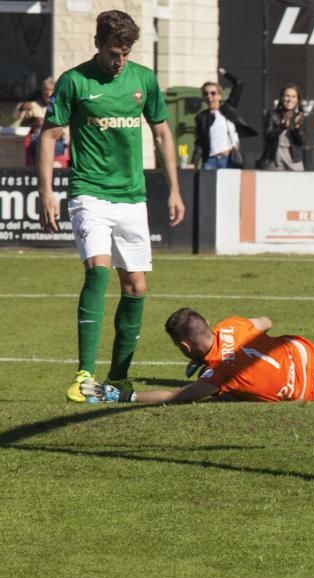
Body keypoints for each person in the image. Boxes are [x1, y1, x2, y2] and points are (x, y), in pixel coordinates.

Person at [37, 9, 185, 403]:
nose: (120, 61)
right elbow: (49, 136)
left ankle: (117, 379)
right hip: (89, 193)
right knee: (98, 275)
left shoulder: (143, 80)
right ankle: (84, 373)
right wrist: (47, 191)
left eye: (126, 52)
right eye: (114, 53)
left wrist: (174, 189)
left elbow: (163, 134)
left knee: (136, 286)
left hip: (132, 197)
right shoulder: (75, 81)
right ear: (98, 44)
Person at [80, 308, 314, 403]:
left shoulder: (217, 374)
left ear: (186, 348)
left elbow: (176, 397)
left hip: (297, 391)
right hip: (299, 352)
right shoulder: (230, 326)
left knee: (223, 396)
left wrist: (122, 396)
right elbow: (267, 322)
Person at [193, 67, 258, 170]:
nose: (209, 97)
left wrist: (225, 74)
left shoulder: (228, 108)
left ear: (219, 95)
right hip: (211, 160)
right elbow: (199, 142)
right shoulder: (202, 117)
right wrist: (193, 163)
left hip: (228, 159)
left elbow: (239, 84)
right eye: (206, 94)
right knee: (208, 185)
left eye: (213, 93)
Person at [259, 84, 306, 171]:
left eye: (293, 97)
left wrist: (296, 128)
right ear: (281, 98)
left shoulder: (300, 116)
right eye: (287, 96)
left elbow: (300, 141)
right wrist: (282, 126)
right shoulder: (272, 114)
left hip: (293, 158)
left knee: (297, 184)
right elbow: (268, 135)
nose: (290, 100)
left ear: (297, 100)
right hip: (275, 156)